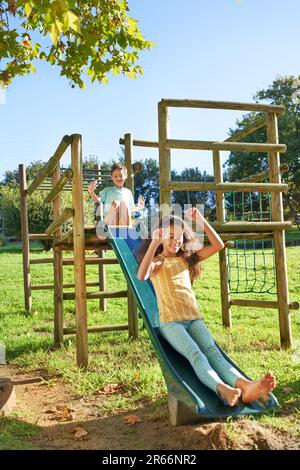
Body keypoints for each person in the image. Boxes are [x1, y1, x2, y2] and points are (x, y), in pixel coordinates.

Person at [136, 208, 276, 407]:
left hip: (194, 319)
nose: (176, 241)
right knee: (196, 354)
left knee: (213, 351)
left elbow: (218, 245)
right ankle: (223, 389)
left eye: (180, 237)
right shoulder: (158, 261)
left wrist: (201, 220)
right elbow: (141, 276)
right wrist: (154, 244)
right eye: (170, 236)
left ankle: (246, 386)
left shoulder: (186, 259)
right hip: (172, 324)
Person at [88, 163, 145, 237]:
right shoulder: (107, 190)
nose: (118, 178)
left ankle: (126, 231)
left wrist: (140, 207)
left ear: (126, 176)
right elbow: (98, 200)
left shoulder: (128, 192)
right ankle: (113, 230)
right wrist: (91, 191)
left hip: (124, 223)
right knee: (116, 203)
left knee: (124, 204)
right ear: (112, 177)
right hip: (110, 222)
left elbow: (130, 209)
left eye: (121, 176)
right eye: (115, 176)